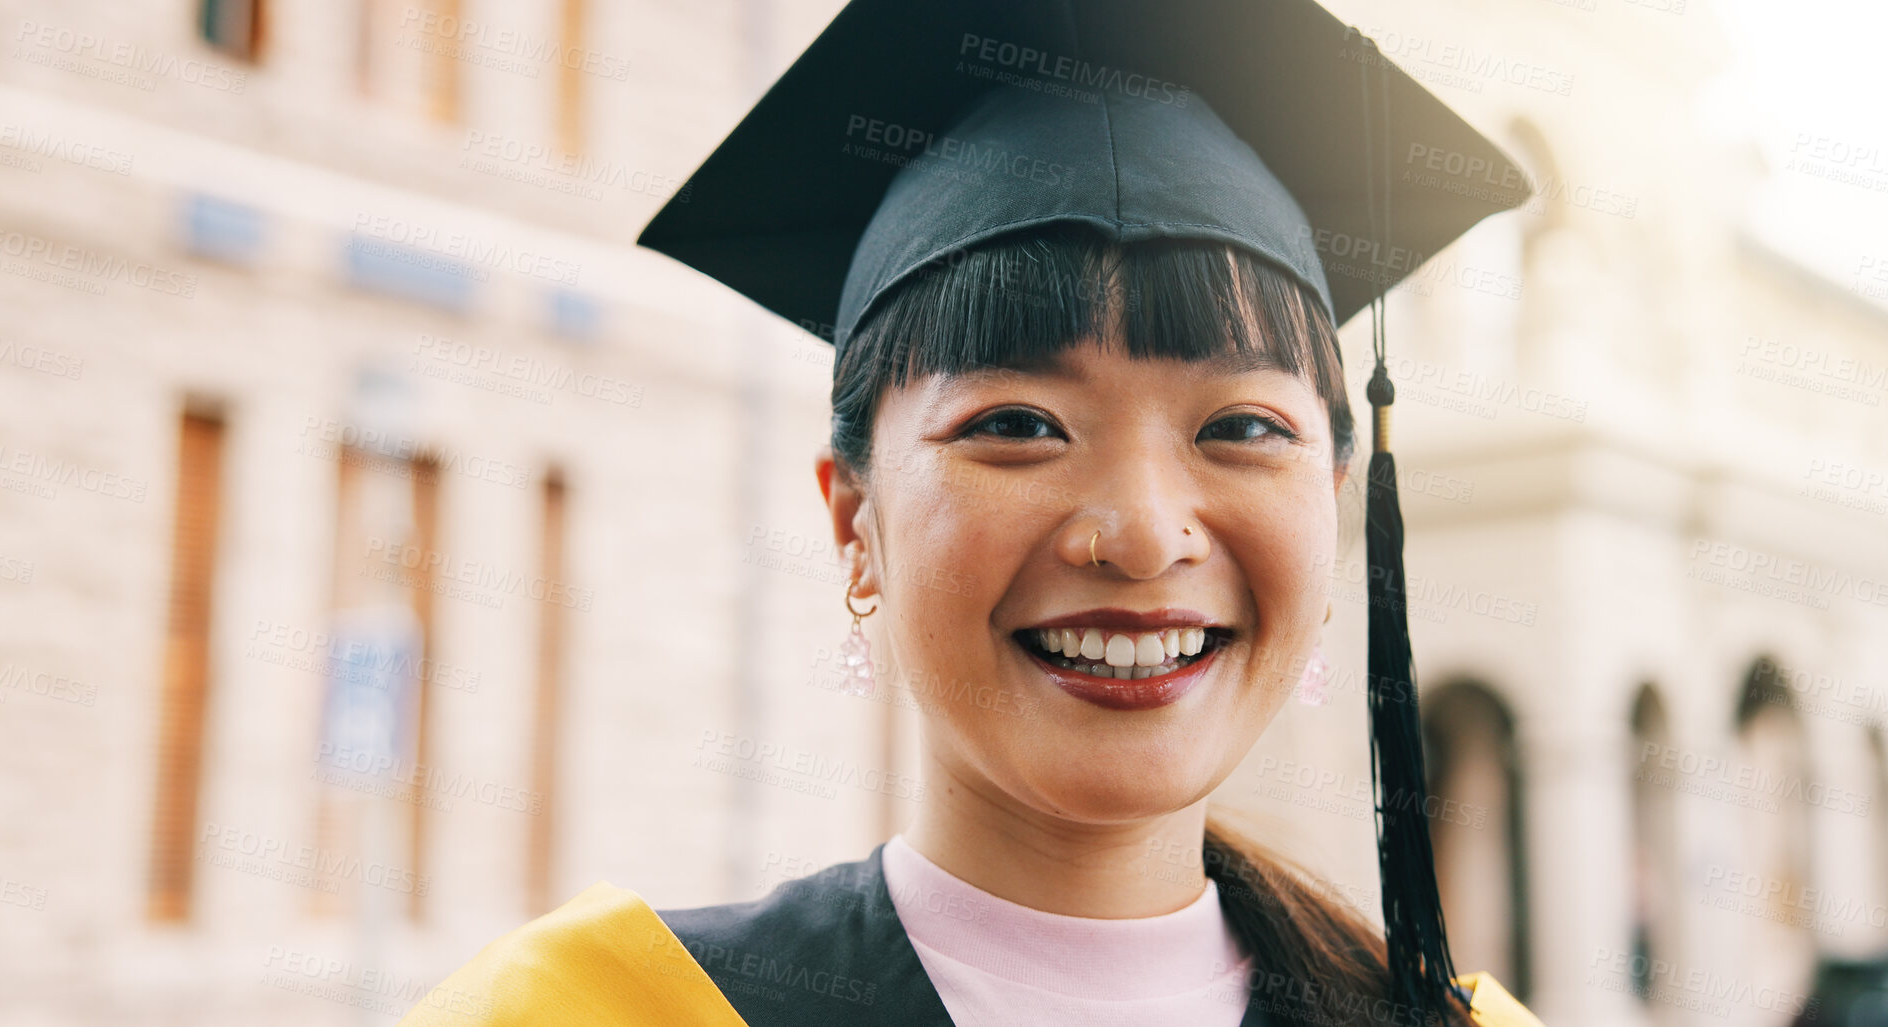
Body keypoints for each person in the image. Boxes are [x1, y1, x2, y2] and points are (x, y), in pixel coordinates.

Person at [398, 0, 1547, 1024]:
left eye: (1241, 427)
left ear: (1337, 507)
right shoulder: (588, 1014)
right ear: (856, 521)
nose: (1144, 535)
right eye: (1018, 424)